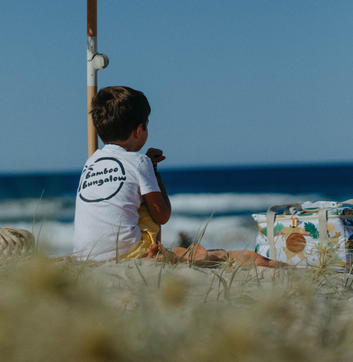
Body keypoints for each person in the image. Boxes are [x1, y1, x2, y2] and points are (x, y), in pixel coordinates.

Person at [73, 85, 285, 268]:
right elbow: (162, 215)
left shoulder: (90, 163)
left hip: (86, 256)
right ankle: (154, 250)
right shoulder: (140, 161)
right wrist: (153, 172)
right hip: (131, 256)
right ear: (140, 130)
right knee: (147, 207)